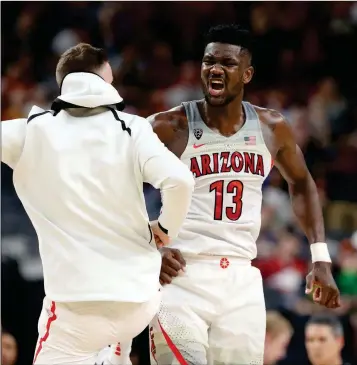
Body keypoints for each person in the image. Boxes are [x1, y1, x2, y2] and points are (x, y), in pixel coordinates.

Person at [100, 24, 340, 365]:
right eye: (208, 61)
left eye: (227, 63)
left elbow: (301, 184)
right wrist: (146, 242)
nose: (215, 68)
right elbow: (111, 183)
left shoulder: (272, 128)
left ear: (247, 74)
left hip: (241, 280)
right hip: (181, 276)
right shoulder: (170, 125)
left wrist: (320, 256)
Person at [1, 43, 195, 365]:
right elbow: (181, 181)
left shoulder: (29, 132)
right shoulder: (133, 128)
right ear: (105, 81)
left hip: (77, 309)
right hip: (139, 301)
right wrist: (163, 229)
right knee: (113, 343)